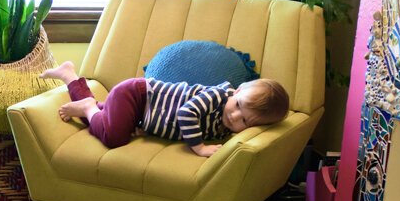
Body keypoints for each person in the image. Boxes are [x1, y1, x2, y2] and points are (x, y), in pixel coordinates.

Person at [42, 61, 290, 158]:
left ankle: (70, 77)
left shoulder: (227, 128)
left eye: (244, 121)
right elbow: (185, 114)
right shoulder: (217, 96)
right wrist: (199, 147)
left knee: (108, 123)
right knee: (113, 136)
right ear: (237, 91)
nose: (233, 116)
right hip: (136, 95)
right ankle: (87, 107)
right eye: (238, 106)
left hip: (142, 113)